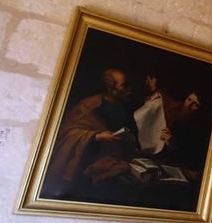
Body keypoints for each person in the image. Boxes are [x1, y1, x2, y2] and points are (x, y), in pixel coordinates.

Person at [45, 67, 141, 199]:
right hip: (90, 168)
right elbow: (69, 132)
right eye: (124, 85)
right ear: (110, 87)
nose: (129, 89)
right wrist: (97, 137)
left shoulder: (126, 108)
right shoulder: (89, 106)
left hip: (120, 163)